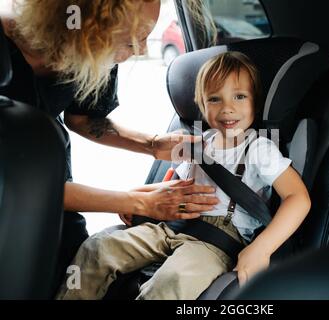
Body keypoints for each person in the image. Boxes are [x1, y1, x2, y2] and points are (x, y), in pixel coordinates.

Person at [0, 0, 219, 291]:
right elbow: (22, 182)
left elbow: (83, 119)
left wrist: (152, 145)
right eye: (133, 39)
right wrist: (140, 202)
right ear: (89, 25)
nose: (141, 50)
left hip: (53, 206)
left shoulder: (93, 52)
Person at [56, 51, 311, 300]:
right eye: (214, 99)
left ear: (255, 102)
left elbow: (298, 198)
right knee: (98, 247)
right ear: (201, 104)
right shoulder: (197, 142)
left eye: (239, 97)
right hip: (168, 227)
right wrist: (136, 198)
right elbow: (173, 187)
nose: (227, 109)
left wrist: (261, 248)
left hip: (214, 242)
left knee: (173, 279)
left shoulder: (259, 148)